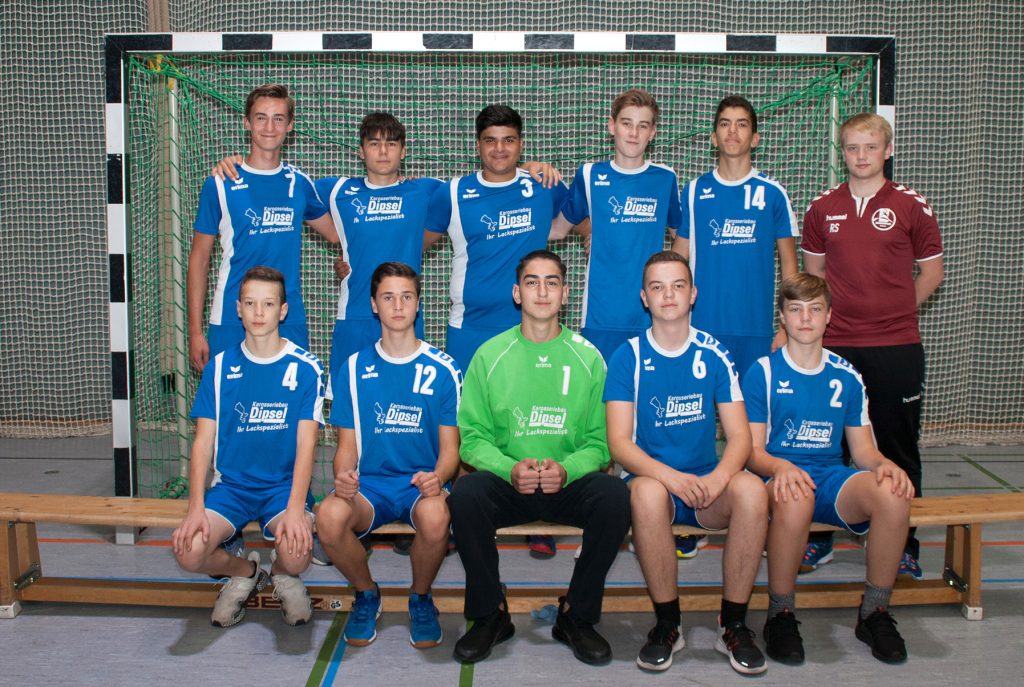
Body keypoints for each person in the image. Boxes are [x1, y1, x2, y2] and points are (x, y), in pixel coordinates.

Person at [448, 250, 630, 665]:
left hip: (566, 483)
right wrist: (508, 468)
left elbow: (601, 442)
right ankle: (490, 614)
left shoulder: (588, 358)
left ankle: (576, 615)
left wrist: (567, 469)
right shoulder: (489, 355)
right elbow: (471, 439)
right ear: (517, 293)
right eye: (532, 282)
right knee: (466, 494)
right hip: (510, 483)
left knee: (615, 497)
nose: (542, 291)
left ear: (565, 294)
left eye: (552, 282)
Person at [604, 250, 768, 676]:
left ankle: (733, 624)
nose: (668, 295)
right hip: (655, 481)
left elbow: (740, 438)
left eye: (678, 286)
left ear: (693, 293)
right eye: (657, 287)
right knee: (645, 493)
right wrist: (672, 478)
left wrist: (719, 477)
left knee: (752, 490)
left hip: (705, 487)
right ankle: (667, 623)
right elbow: (618, 444)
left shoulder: (714, 353)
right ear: (644, 297)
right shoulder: (628, 356)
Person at [743, 272, 914, 664]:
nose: (805, 318)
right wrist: (781, 467)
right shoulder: (763, 372)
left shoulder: (847, 375)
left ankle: (874, 611)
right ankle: (780, 613)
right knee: (796, 496)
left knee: (892, 493)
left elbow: (863, 450)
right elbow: (751, 452)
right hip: (776, 476)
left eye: (815, 309)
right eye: (796, 309)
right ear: (782, 317)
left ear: (829, 316)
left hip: (830, 476)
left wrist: (886, 465)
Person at [800, 112, 943, 578]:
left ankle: (903, 545)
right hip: (835, 346)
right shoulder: (822, 208)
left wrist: (894, 313)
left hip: (896, 347)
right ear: (842, 152)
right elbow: (814, 277)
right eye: (852, 147)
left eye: (870, 147)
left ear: (888, 150)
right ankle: (819, 538)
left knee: (897, 445)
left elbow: (932, 274)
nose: (861, 156)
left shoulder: (911, 205)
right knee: (826, 446)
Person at [316, 262, 462, 648]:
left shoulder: (444, 369)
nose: (398, 306)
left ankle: (420, 598)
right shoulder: (351, 369)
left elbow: (451, 451)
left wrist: (438, 477)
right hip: (370, 487)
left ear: (418, 304)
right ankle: (366, 594)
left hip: (420, 485)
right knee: (328, 516)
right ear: (373, 304)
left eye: (406, 297)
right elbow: (346, 448)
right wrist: (343, 476)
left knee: (437, 515)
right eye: (388, 297)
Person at [172, 266, 325, 628]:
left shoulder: (307, 368)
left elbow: (307, 445)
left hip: (282, 488)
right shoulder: (220, 367)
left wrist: (295, 510)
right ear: (238, 308)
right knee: (189, 552)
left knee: (297, 551)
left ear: (282, 311)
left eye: (268, 304)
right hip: (232, 488)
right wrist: (195, 508)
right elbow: (203, 442)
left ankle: (284, 573)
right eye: (250, 303)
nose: (258, 313)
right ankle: (245, 571)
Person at [187, 84, 339, 371]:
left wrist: (393, 185)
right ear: (247, 122)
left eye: (278, 118)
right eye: (261, 118)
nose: (269, 127)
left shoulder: (299, 183)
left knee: (292, 397)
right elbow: (199, 258)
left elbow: (335, 234)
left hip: (287, 314)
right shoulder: (220, 182)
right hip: (232, 314)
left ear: (290, 125)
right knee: (228, 398)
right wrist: (195, 332)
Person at [424, 105, 570, 374]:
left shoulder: (545, 186)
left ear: (521, 144)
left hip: (531, 326)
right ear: (478, 145)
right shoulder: (452, 193)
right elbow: (413, 245)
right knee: (467, 402)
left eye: (509, 140)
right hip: (470, 327)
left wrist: (590, 237)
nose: (499, 148)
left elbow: (578, 225)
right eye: (490, 140)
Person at [551, 89, 683, 362]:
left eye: (642, 125)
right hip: (601, 314)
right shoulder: (590, 175)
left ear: (653, 132)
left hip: (652, 315)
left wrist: (668, 284)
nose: (633, 133)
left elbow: (682, 239)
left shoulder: (665, 178)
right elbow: (558, 229)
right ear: (612, 126)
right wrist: (523, 174)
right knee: (601, 388)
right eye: (626, 123)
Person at [675, 94, 799, 379]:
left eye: (741, 124)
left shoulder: (773, 193)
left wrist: (786, 328)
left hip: (756, 329)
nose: (732, 131)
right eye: (724, 124)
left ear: (755, 139)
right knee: (700, 406)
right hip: (701, 327)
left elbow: (790, 268)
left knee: (752, 408)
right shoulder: (694, 191)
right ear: (713, 138)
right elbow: (678, 260)